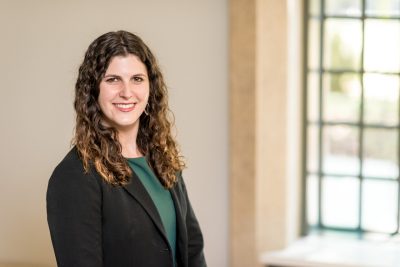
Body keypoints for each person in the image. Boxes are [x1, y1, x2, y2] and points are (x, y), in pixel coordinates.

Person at [46, 30, 206, 267]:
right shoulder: (74, 176)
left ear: (150, 88)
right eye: (113, 79)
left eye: (137, 79)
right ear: (93, 90)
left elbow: (192, 250)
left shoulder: (163, 161)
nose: (127, 92)